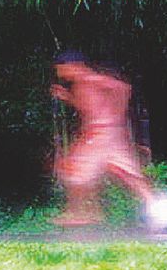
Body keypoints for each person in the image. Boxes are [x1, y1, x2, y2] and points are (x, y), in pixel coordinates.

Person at [50, 51, 155, 226]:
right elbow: (90, 109)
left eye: (61, 69)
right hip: (104, 133)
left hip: (102, 133)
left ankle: (83, 213)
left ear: (73, 66)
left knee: (74, 172)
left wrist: (116, 114)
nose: (60, 74)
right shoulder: (81, 84)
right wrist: (67, 97)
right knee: (128, 173)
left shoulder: (90, 79)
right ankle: (153, 206)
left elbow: (123, 88)